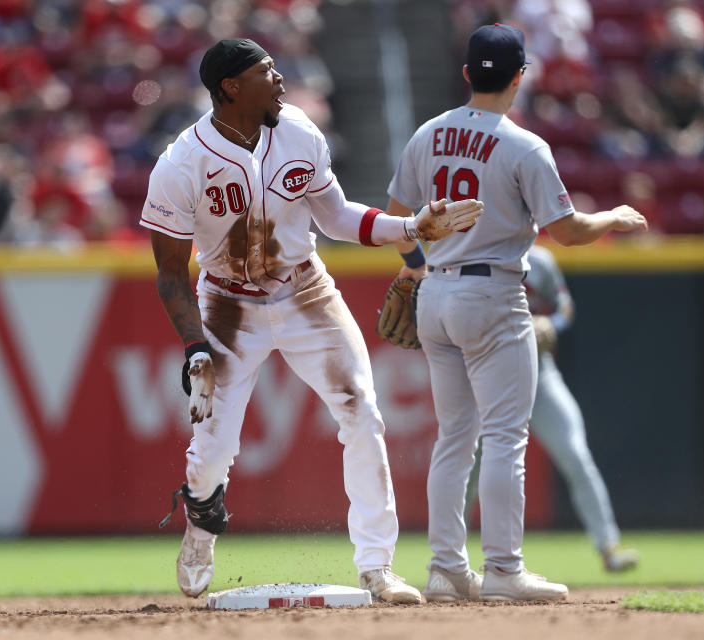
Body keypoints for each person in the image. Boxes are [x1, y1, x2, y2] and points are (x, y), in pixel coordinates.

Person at [140, 38, 483, 604]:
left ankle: (377, 566)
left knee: (363, 413)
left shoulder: (298, 130)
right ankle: (202, 527)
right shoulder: (182, 163)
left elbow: (336, 216)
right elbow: (171, 274)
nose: (281, 80)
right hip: (227, 304)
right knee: (210, 455)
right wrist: (195, 346)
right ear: (231, 87)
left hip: (307, 291)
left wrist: (412, 227)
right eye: (266, 72)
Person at [384, 24, 648, 602]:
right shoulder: (524, 144)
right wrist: (615, 217)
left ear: (465, 73)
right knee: (504, 437)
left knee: (455, 437)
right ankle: (504, 568)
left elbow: (397, 214)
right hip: (493, 294)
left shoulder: (428, 133)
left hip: (437, 293)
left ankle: (446, 568)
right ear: (521, 76)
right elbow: (569, 232)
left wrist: (415, 268)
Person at [464, 244, 640, 574]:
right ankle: (452, 560)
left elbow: (565, 308)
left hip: (540, 374)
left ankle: (609, 546)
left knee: (575, 455)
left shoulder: (539, 259)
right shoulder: (468, 254)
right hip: (484, 374)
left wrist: (552, 324)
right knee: (468, 468)